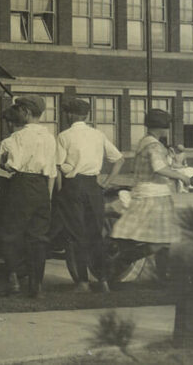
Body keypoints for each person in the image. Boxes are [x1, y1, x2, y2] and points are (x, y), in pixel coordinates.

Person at [50, 97, 125, 293]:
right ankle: (103, 281)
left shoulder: (64, 136)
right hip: (94, 186)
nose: (65, 115)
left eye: (66, 112)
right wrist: (107, 182)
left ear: (71, 114)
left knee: (76, 235)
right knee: (95, 234)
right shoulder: (98, 135)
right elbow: (119, 159)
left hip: (72, 186)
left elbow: (58, 168)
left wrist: (59, 192)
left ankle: (83, 282)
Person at [111, 108, 193, 271]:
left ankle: (163, 275)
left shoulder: (145, 141)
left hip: (152, 193)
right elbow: (159, 168)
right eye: (166, 126)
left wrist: (177, 168)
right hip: (153, 196)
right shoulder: (154, 145)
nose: (167, 129)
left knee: (164, 240)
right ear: (162, 127)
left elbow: (161, 166)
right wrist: (182, 177)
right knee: (159, 241)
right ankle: (122, 261)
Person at [0, 96, 57, 298]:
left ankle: (13, 279)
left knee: (11, 233)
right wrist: (47, 197)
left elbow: (9, 168)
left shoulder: (15, 139)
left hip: (20, 185)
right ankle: (36, 285)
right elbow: (51, 171)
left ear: (27, 113)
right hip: (41, 187)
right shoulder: (50, 137)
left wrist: (4, 163)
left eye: (20, 109)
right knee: (38, 237)